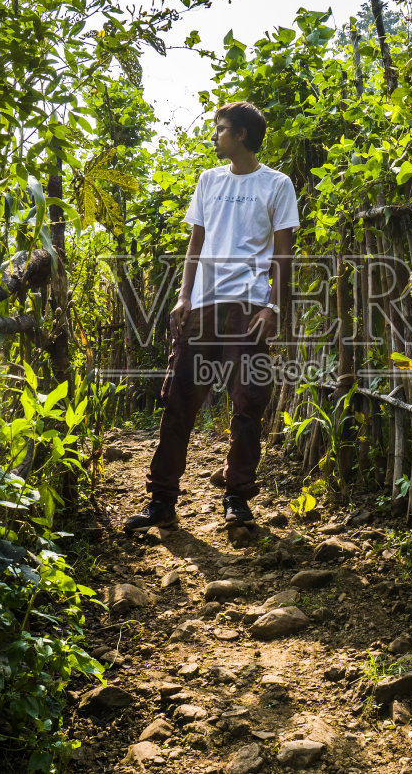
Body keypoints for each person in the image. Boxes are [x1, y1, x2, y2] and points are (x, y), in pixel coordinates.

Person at [125, 101, 299, 531]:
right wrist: (183, 297)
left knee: (248, 402)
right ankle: (162, 501)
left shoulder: (276, 185)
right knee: (178, 400)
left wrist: (273, 306)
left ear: (241, 135)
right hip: (202, 306)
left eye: (221, 129)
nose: (215, 136)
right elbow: (194, 245)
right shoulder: (208, 181)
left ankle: (237, 497)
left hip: (249, 307)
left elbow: (283, 253)